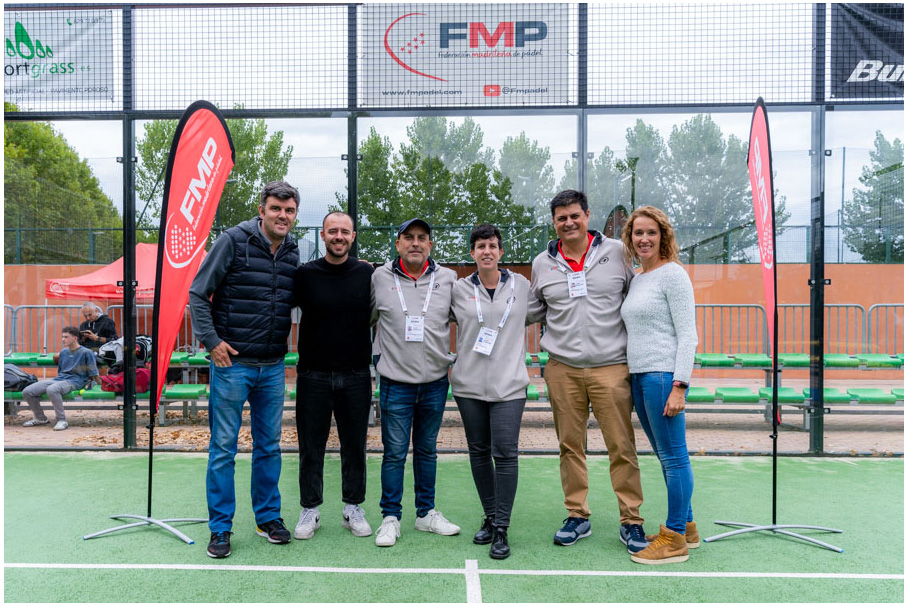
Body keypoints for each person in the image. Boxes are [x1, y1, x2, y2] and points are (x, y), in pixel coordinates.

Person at [530, 189, 648, 553]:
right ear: (554, 222)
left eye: (574, 216)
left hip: (612, 368)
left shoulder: (619, 252)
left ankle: (631, 520)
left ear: (587, 216)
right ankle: (577, 516)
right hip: (562, 369)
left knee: (621, 446)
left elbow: (637, 298)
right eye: (561, 218)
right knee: (570, 447)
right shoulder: (542, 263)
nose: (569, 223)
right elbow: (534, 308)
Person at [189, 180, 300, 559]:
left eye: (289, 210)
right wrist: (211, 341)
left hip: (272, 367)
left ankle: (267, 518)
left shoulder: (292, 251)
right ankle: (220, 527)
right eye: (276, 208)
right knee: (224, 448)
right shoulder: (232, 241)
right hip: (232, 365)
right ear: (261, 210)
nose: (282, 215)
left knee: (269, 446)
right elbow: (198, 293)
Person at [450, 224, 542, 560]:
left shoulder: (521, 285)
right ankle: (489, 517)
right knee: (478, 452)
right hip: (469, 386)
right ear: (472, 253)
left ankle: (502, 527)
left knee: (504, 454)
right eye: (480, 246)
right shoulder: (458, 289)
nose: (486, 251)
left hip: (509, 386)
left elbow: (544, 310)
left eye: (492, 245)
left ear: (501, 252)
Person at [370, 217, 460, 547]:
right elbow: (366, 317)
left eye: (422, 237)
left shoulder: (448, 278)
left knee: (426, 451)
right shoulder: (379, 277)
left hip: (435, 382)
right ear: (398, 244)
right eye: (408, 237)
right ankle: (390, 518)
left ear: (430, 245)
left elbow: (467, 317)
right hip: (396, 383)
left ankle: (426, 514)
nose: (415, 243)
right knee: (394, 454)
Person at [620, 206, 699, 565]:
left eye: (651, 232)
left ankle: (674, 538)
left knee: (674, 457)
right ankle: (688, 527)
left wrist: (680, 385)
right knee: (666, 458)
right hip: (640, 377)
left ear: (663, 235)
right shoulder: (639, 278)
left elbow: (688, 335)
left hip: (663, 376)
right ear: (630, 238)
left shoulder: (674, 275)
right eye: (638, 233)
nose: (644, 239)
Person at [292, 211, 375, 541]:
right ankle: (310, 509)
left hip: (356, 375)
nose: (338, 236)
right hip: (313, 376)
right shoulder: (305, 275)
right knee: (310, 447)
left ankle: (353, 507)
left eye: (345, 231)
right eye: (332, 231)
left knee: (354, 447)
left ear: (353, 236)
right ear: (323, 235)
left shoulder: (367, 273)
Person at [22, 326, 99, 431]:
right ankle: (40, 418)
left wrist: (99, 384)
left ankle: (61, 420)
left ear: (75, 338)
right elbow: (61, 371)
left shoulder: (87, 352)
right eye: (62, 337)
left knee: (52, 389)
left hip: (76, 381)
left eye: (66, 337)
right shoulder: (63, 352)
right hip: (60, 379)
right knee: (27, 391)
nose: (63, 339)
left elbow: (94, 372)